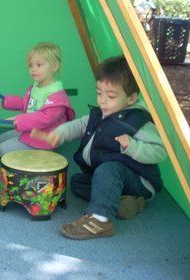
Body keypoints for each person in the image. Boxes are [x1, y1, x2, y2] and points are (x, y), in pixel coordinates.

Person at [31, 55, 167, 240]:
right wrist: (58, 134)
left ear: (131, 98)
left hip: (138, 181)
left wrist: (133, 147)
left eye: (111, 96)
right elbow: (79, 125)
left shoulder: (138, 121)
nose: (103, 101)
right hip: (111, 178)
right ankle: (127, 204)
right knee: (78, 182)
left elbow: (160, 151)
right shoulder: (103, 113)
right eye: (99, 93)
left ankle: (100, 221)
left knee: (108, 169)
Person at [0, 42, 75, 157]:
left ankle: (44, 151)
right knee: (0, 139)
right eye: (30, 65)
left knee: (1, 149)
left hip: (43, 138)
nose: (33, 69)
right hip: (31, 130)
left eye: (39, 65)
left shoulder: (57, 95)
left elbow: (45, 118)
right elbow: (27, 104)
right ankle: (27, 142)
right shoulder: (36, 86)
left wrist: (20, 120)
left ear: (55, 66)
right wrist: (7, 100)